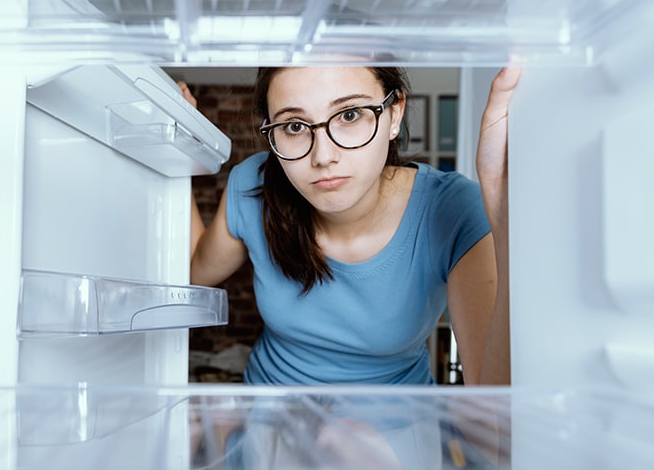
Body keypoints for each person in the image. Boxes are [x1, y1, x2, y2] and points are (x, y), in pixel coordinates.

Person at [183, 65, 518, 387]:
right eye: (295, 126)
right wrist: (179, 153)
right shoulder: (252, 186)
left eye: (349, 115)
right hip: (270, 424)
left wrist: (503, 222)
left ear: (394, 115)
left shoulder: (453, 209)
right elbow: (195, 271)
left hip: (397, 432)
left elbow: (495, 419)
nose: (323, 156)